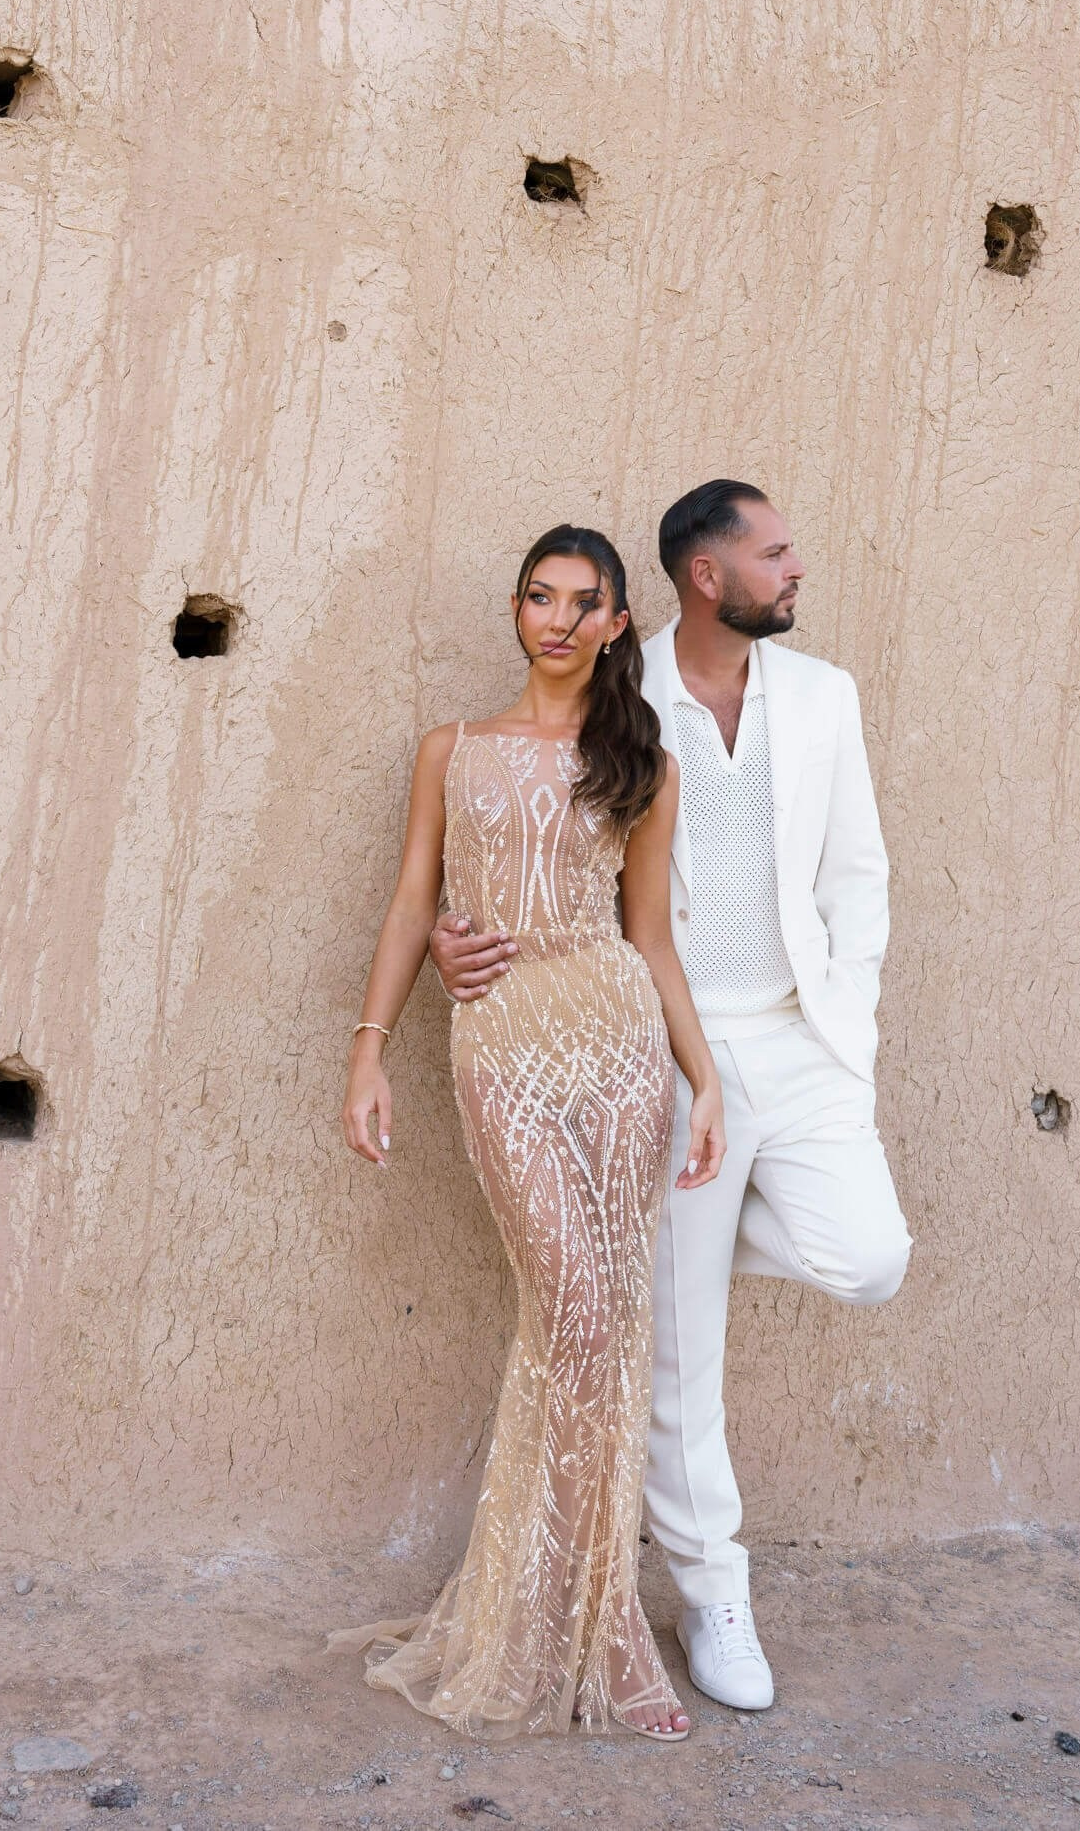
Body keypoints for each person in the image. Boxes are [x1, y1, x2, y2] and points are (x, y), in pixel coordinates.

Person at [430, 481, 912, 1713]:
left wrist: (846, 1024)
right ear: (708, 574)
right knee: (677, 1360)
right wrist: (454, 939)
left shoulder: (825, 697)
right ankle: (713, 1594)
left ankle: (678, 1243)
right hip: (658, 1038)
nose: (796, 566)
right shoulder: (614, 683)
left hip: (797, 1046)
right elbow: (525, 829)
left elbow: (857, 872)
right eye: (776, 550)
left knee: (867, 1257)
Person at [337, 524, 726, 1741]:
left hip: (613, 1041)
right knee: (566, 1306)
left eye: (583, 602)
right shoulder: (451, 750)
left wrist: (703, 1081)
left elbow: (649, 937)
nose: (557, 618)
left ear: (618, 622)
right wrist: (369, 1045)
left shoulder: (641, 760)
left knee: (606, 1327)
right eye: (537, 597)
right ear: (516, 611)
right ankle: (538, 1614)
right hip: (501, 1042)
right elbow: (415, 897)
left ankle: (603, 1630)